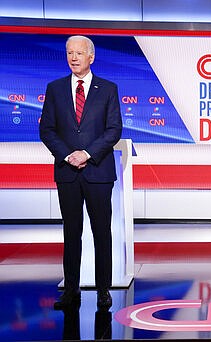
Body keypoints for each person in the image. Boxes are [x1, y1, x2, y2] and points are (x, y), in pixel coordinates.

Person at [39, 35, 122, 310]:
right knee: (71, 232)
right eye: (69, 53)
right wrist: (67, 155)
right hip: (67, 173)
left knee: (102, 232)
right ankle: (71, 291)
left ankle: (103, 291)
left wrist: (86, 154)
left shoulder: (108, 89)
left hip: (98, 172)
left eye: (79, 53)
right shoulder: (55, 88)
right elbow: (47, 130)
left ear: (91, 57)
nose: (73, 58)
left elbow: (114, 130)